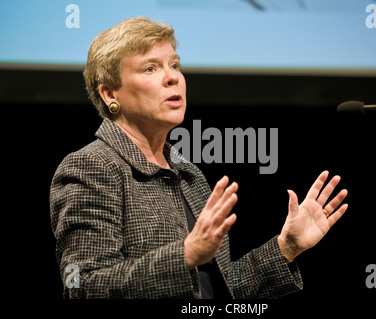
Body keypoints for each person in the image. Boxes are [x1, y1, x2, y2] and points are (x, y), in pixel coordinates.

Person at [50, 17, 349, 299]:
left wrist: (286, 247)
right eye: (150, 69)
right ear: (109, 94)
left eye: (175, 65)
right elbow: (84, 286)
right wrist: (186, 255)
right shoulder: (92, 167)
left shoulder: (188, 173)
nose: (172, 78)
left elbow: (219, 288)